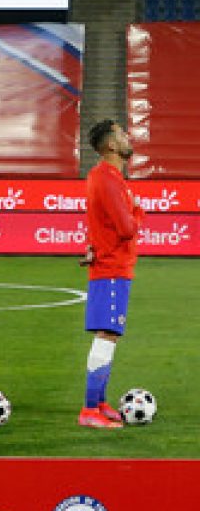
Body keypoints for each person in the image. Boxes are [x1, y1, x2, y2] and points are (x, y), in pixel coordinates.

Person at [77, 119, 144, 429]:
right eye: (121, 134)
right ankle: (89, 410)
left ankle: (100, 402)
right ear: (111, 146)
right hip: (112, 267)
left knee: (110, 334)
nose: (127, 137)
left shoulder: (106, 177)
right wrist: (138, 210)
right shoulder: (107, 179)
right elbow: (126, 227)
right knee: (106, 335)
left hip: (111, 265)